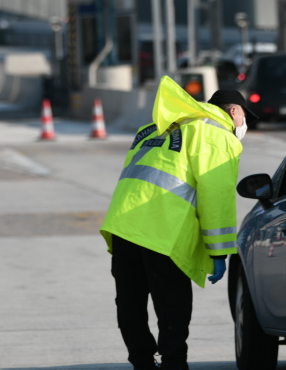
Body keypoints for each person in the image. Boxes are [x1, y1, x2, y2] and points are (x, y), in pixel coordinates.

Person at [100, 77, 256, 370]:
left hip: (123, 227)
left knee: (130, 304)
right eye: (246, 116)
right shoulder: (217, 135)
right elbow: (216, 197)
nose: (244, 124)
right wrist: (219, 252)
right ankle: (174, 365)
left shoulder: (154, 128)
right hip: (163, 232)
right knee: (173, 306)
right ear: (234, 112)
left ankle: (143, 363)